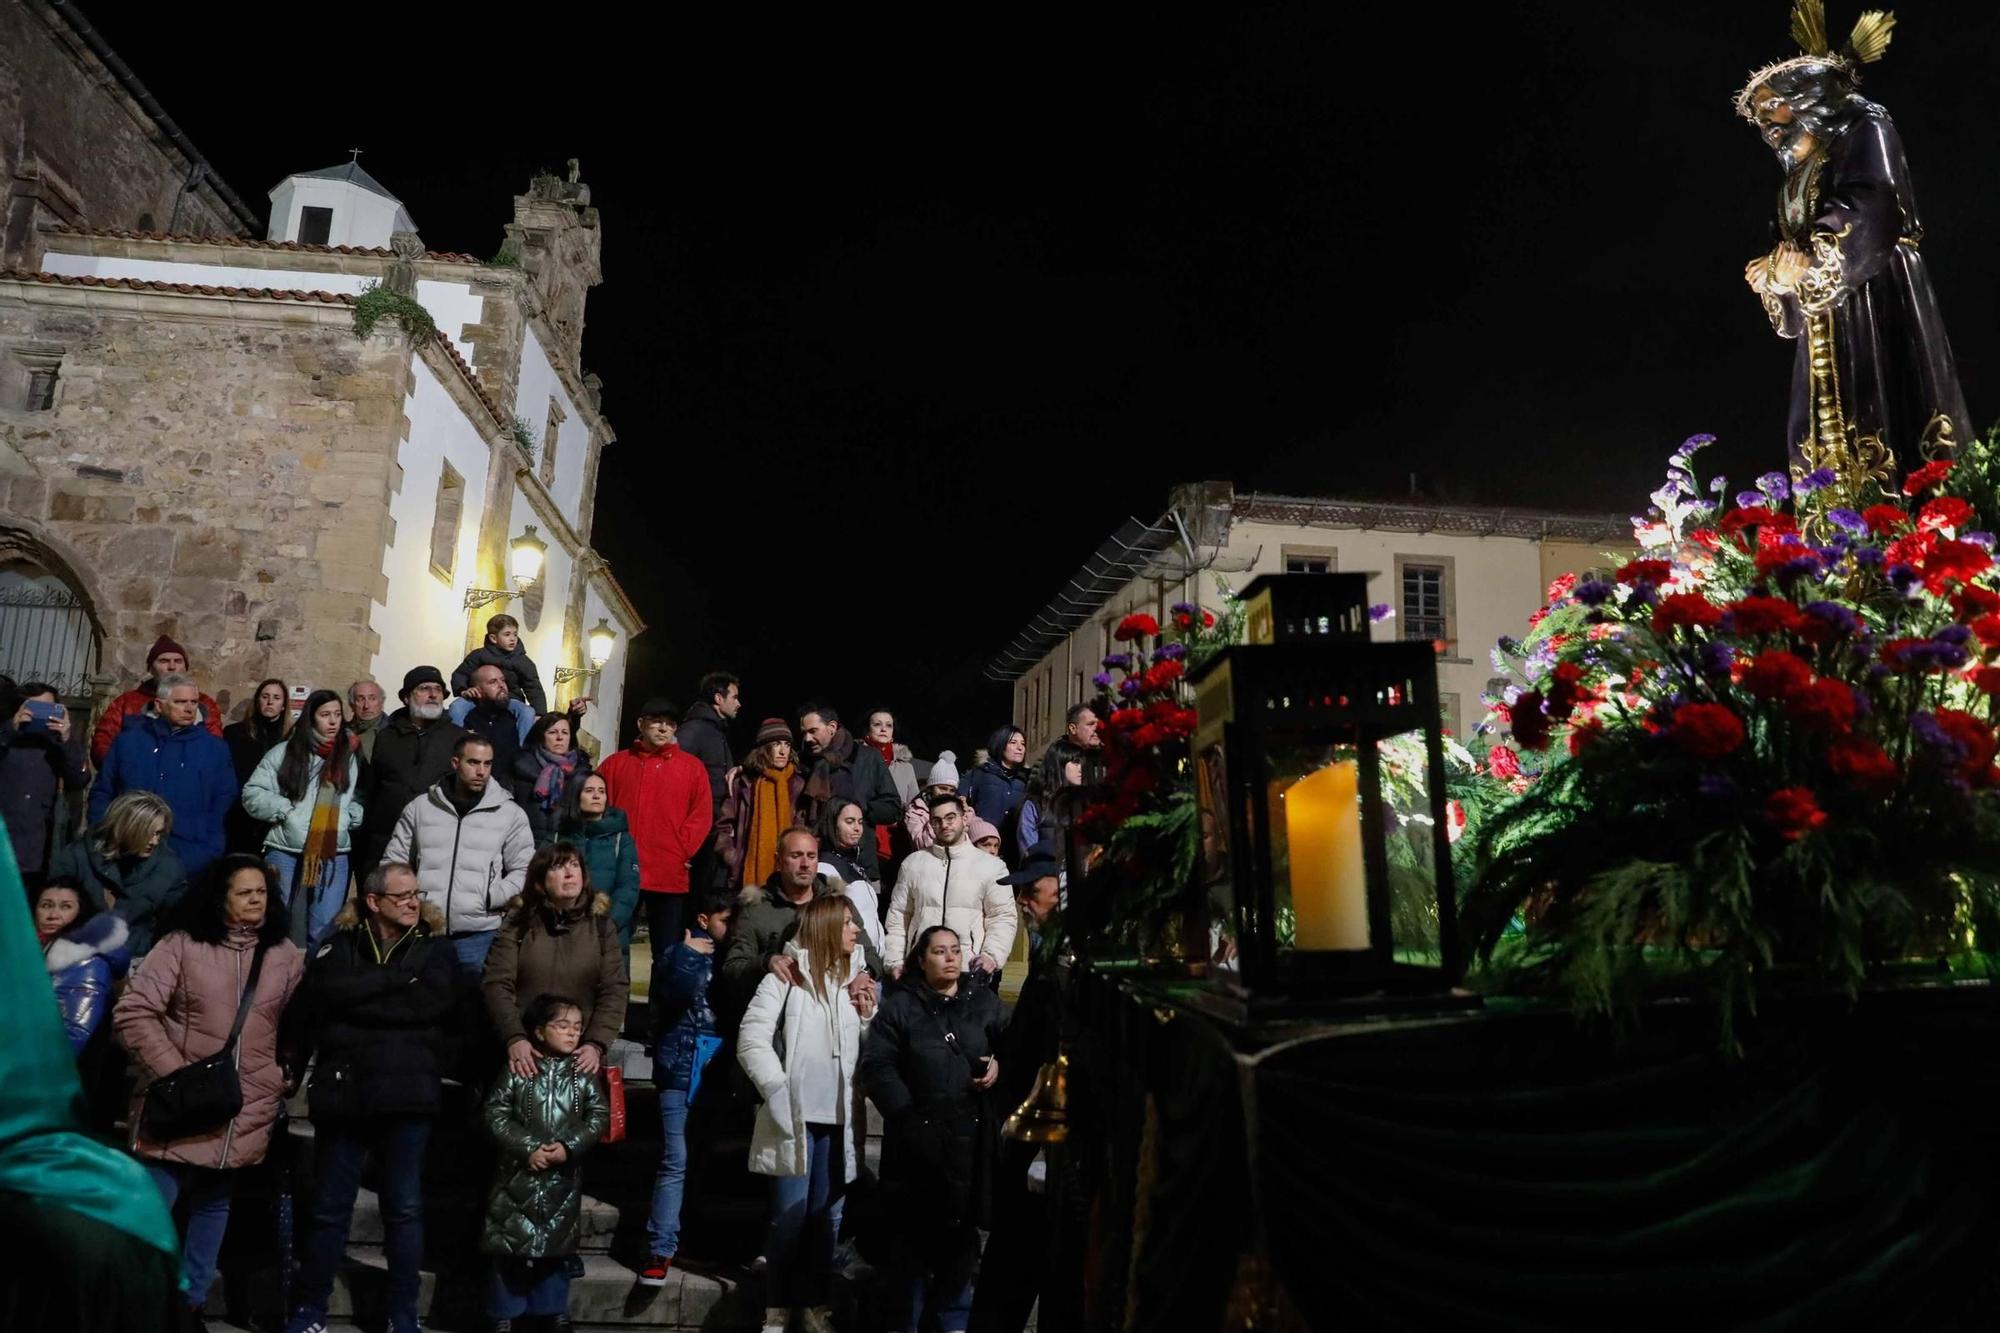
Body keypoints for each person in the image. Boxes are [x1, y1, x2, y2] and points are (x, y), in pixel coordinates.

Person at [1736, 9, 1968, 503]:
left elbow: (1874, 204)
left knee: (1888, 416)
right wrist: (1775, 277)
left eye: (1772, 106)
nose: (1766, 123)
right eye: (1759, 116)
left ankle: (1906, 528)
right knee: (1825, 447)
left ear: (1809, 97)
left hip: (1878, 288)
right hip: (1827, 318)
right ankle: (1835, 536)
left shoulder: (1866, 124)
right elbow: (1788, 250)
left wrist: (1813, 255)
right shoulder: (1796, 178)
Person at [112, 855, 305, 1316]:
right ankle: (140, 1300)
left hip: (243, 1105)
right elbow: (134, 1012)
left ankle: (190, 1306)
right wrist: (173, 1072)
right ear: (221, 899)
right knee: (156, 1207)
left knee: (214, 1205)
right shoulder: (180, 945)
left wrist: (285, 1074)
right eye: (245, 892)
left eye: (261, 891)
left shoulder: (285, 957)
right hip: (178, 1101)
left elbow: (298, 1024)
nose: (256, 899)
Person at [282, 863, 458, 1333]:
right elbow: (326, 995)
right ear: (374, 902)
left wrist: (360, 1001)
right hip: (347, 1093)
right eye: (401, 896)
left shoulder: (437, 951)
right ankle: (309, 1307)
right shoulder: (339, 946)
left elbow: (433, 1005)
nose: (412, 902)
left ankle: (403, 1316)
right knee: (329, 1208)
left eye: (416, 894)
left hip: (408, 1095)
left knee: (403, 1209)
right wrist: (398, 982)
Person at [737, 895, 873, 1333]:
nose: (856, 931)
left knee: (827, 1220)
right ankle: (776, 1307)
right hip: (794, 1118)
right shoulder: (786, 977)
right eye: (849, 923)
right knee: (789, 1220)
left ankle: (815, 1304)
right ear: (827, 927)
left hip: (839, 1119)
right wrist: (778, 1090)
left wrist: (869, 1017)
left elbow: (870, 1048)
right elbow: (751, 1038)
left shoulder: (857, 981)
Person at [860, 925, 1005, 1333]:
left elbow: (1013, 1044)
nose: (950, 958)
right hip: (915, 1148)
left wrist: (999, 1064)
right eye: (940, 951)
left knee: (960, 1247)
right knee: (911, 1250)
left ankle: (953, 1322)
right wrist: (907, 1117)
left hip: (969, 1144)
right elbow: (877, 1067)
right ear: (921, 959)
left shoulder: (984, 1003)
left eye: (956, 950)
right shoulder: (900, 1008)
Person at [969, 849, 1066, 1333]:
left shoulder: (1063, 963)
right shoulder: (1047, 955)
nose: (1024, 900)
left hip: (1044, 1145)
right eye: (1021, 890)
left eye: (1034, 890)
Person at [480, 992, 608, 1333]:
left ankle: (552, 1311)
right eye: (562, 1025)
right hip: (514, 1180)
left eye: (578, 1027)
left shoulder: (583, 1075)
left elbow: (598, 1116)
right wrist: (527, 1147)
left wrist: (568, 1146)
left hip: (561, 1181)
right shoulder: (520, 1070)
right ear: (539, 1031)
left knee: (556, 1249)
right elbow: (494, 1113)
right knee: (508, 1249)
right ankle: (503, 1313)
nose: (571, 1033)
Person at [384, 733, 536, 973]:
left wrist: (493, 897)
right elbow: (394, 863)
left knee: (469, 1005)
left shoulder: (510, 813)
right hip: (424, 928)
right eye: (473, 762)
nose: (481, 771)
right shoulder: (421, 807)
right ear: (455, 763)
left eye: (487, 764)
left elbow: (525, 868)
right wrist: (408, 901)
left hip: (479, 934)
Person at [642, 890, 732, 1288]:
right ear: (703, 918)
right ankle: (659, 1248)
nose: (730, 929)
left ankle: (688, 1239)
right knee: (675, 1158)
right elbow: (673, 993)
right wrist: (689, 954)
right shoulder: (677, 955)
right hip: (679, 1066)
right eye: (724, 920)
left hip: (713, 1068)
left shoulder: (733, 959)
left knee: (698, 1157)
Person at [482, 843, 628, 1085]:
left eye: (574, 865)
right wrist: (514, 1037)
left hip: (579, 1060)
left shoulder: (602, 928)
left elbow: (614, 989)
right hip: (523, 1057)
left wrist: (595, 1044)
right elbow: (496, 983)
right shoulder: (518, 924)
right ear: (540, 881)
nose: (569, 873)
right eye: (558, 867)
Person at [241, 688, 363, 952]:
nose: (333, 721)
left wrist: (350, 814)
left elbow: (351, 794)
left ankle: (312, 986)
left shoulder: (347, 755)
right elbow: (252, 792)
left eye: (338, 714)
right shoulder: (285, 752)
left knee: (324, 929)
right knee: (275, 923)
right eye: (325, 715)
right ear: (311, 718)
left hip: (333, 850)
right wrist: (285, 811)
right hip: (285, 849)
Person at [597, 698, 713, 974]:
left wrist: (681, 850)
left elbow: (701, 816)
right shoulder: (615, 764)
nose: (663, 728)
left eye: (670, 724)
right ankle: (613, 1014)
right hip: (622, 872)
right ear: (641, 723)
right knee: (612, 948)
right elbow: (599, 810)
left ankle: (660, 1017)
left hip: (668, 874)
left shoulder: (692, 768)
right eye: (657, 721)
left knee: (667, 955)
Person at [722, 828, 882, 1027]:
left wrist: (863, 973)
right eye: (796, 856)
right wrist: (767, 962)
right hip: (780, 1018)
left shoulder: (837, 903)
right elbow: (732, 969)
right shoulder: (756, 909)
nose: (805, 864)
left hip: (836, 1016)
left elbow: (870, 954)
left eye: (811, 856)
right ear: (778, 860)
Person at [91, 672, 237, 878]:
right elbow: (103, 790)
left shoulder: (215, 749)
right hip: (125, 851)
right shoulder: (128, 742)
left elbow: (224, 799)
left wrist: (209, 848)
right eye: (180, 702)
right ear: (159, 705)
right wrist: (103, 836)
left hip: (189, 856)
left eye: (193, 702)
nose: (189, 708)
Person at [884, 794, 1016, 985]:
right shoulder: (913, 864)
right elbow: (899, 916)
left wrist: (991, 956)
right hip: (920, 970)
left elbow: (1002, 917)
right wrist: (895, 962)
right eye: (937, 820)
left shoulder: (992, 867)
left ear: (963, 818)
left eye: (950, 817)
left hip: (968, 970)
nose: (944, 825)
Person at [355, 666, 467, 879]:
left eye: (438, 689)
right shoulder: (386, 737)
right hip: (386, 841)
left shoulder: (457, 739)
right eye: (424, 688)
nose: (433, 694)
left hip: (436, 844)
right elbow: (373, 788)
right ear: (407, 697)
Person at [48, 790, 187, 956]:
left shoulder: (169, 868)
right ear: (127, 828)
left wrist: (144, 946)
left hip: (137, 955)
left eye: (158, 833)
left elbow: (177, 925)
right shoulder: (77, 857)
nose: (155, 841)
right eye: (149, 833)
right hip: (78, 953)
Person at [796, 701, 901, 881]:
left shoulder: (867, 758)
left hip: (858, 866)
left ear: (832, 727)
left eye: (813, 731)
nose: (807, 739)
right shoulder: (802, 762)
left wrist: (859, 810)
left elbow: (893, 808)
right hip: (816, 864)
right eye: (804, 733)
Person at [1, 680, 90, 890]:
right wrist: (11, 730)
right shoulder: (5, 737)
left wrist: (66, 739)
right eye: (35, 708)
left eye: (49, 708)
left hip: (37, 851)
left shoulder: (59, 744)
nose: (42, 715)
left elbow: (79, 779)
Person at [89, 634, 222, 766]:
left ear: (185, 667)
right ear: (151, 668)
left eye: (178, 661)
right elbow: (102, 744)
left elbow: (214, 746)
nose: (172, 667)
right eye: (163, 661)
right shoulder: (126, 702)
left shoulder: (204, 703)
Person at [37, 878, 130, 1054]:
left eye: (66, 907)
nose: (53, 914)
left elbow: (72, 1037)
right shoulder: (37, 950)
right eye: (46, 905)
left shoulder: (87, 965)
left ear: (81, 912)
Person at [554, 772, 643, 951]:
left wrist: (606, 927)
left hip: (608, 936)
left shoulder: (621, 839)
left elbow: (628, 889)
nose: (597, 796)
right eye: (589, 790)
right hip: (562, 932)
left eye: (601, 791)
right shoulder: (558, 837)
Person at [718, 717, 802, 890]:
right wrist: (733, 858)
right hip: (747, 872)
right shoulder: (744, 783)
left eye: (787, 744)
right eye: (777, 744)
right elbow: (724, 826)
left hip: (789, 871)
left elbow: (803, 827)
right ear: (764, 748)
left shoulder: (797, 784)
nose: (782, 751)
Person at [677, 671, 741, 890]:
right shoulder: (694, 730)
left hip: (712, 828)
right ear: (718, 698)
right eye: (734, 697)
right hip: (696, 832)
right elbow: (675, 776)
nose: (738, 704)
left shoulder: (716, 732)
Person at [222, 677, 290, 854]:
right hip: (239, 811)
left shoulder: (290, 739)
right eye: (265, 696)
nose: (270, 702)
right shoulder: (235, 733)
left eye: (276, 698)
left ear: (283, 705)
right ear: (257, 700)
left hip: (272, 816)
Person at [814, 798, 885, 956]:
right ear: (832, 824)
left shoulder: (853, 862)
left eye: (860, 822)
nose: (857, 828)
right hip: (851, 964)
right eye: (850, 821)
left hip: (873, 962)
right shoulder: (825, 868)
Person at [513, 710, 593, 846]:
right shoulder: (520, 767)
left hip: (567, 850)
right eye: (552, 732)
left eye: (565, 732)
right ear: (541, 736)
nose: (559, 737)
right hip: (526, 847)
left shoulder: (582, 775)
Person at [453, 612, 550, 714]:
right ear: (493, 638)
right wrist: (463, 690)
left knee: (527, 713)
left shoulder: (523, 661)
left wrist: (540, 714)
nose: (513, 639)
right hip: (480, 697)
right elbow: (461, 674)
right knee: (457, 707)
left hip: (510, 699)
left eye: (515, 634)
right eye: (507, 634)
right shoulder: (479, 656)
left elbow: (534, 688)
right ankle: (454, 730)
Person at [865, 709, 921, 878]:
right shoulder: (857, 762)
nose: (883, 729)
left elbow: (915, 804)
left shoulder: (906, 767)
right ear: (867, 732)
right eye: (877, 724)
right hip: (866, 837)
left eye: (888, 725)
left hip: (897, 840)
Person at [454, 663, 532, 783]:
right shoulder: (467, 718)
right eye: (493, 682)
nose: (501, 686)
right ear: (476, 689)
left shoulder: (515, 718)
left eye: (503, 680)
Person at [1016, 745, 1086, 862]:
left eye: (1082, 763)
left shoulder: (1085, 800)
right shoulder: (1036, 804)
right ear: (1059, 765)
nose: (1080, 769)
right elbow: (1028, 851)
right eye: (1075, 763)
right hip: (1047, 873)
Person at [959, 726, 1030, 835]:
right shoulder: (982, 772)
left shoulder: (1026, 779)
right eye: (1013, 742)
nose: (1019, 748)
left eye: (1023, 744)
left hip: (1012, 844)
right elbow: (961, 793)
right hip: (982, 840)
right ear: (1001, 745)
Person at [903, 751, 961, 853]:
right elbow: (921, 845)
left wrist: (964, 813)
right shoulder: (916, 811)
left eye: (951, 790)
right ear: (931, 788)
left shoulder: (960, 809)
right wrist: (936, 818)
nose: (947, 794)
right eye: (942, 788)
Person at [347, 677, 387, 762]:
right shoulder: (342, 732)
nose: (366, 706)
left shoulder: (394, 732)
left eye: (372, 698)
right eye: (360, 699)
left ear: (381, 702)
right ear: (352, 704)